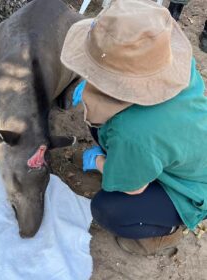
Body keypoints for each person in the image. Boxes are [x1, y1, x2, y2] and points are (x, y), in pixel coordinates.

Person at [60, 0, 207, 255]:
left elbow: (133, 188)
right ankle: (133, 165)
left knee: (109, 209)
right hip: (182, 147)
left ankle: (165, 233)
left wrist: (98, 163)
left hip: (193, 185)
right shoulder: (170, 63)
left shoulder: (133, 133)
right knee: (102, 127)